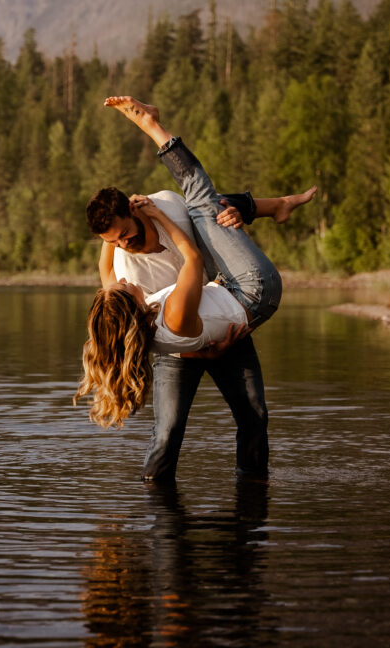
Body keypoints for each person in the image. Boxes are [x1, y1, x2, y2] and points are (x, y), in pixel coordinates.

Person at [75, 95, 316, 482]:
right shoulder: (126, 277)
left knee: (254, 415)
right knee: (167, 433)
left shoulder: (166, 205)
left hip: (221, 313)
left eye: (123, 234)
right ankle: (157, 499)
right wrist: (200, 350)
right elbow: (149, 325)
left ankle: (252, 491)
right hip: (182, 340)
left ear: (135, 209)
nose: (122, 246)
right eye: (112, 241)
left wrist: (236, 214)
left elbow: (208, 219)